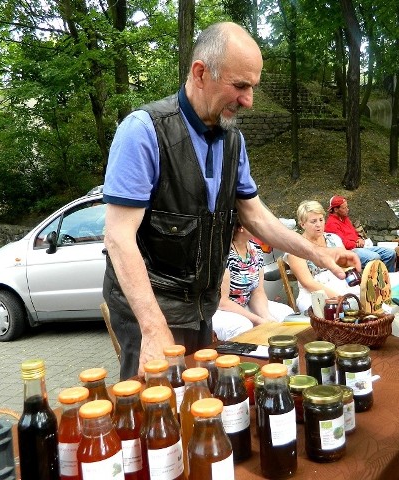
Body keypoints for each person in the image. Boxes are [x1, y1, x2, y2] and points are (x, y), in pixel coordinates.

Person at [102, 22, 359, 380]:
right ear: (200, 73)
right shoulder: (143, 131)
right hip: (152, 309)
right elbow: (118, 237)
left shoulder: (232, 141)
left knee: (203, 407)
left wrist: (319, 253)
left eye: (252, 87)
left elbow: (256, 217)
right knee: (157, 416)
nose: (249, 100)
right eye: (240, 86)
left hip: (204, 310)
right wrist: (152, 326)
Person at [211, 220, 294, 341]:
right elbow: (222, 301)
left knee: (285, 314)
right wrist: (257, 320)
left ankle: (280, 355)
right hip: (219, 309)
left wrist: (266, 317)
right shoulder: (224, 254)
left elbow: (257, 291)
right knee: (244, 326)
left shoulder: (255, 249)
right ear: (240, 228)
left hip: (245, 304)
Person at [286, 201, 361, 314]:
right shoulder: (296, 249)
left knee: (367, 298)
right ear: (302, 224)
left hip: (341, 284)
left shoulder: (334, 239)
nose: (318, 224)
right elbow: (308, 283)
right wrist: (339, 298)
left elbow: (346, 267)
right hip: (313, 293)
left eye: (321, 220)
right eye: (313, 221)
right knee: (333, 310)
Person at [324, 196, 396, 272]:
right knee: (374, 257)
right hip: (349, 251)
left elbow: (354, 233)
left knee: (390, 253)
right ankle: (374, 280)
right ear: (336, 209)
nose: (347, 209)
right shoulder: (331, 224)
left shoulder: (345, 218)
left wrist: (359, 239)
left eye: (347, 207)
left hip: (358, 246)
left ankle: (387, 276)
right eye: (344, 208)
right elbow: (342, 244)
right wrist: (356, 244)